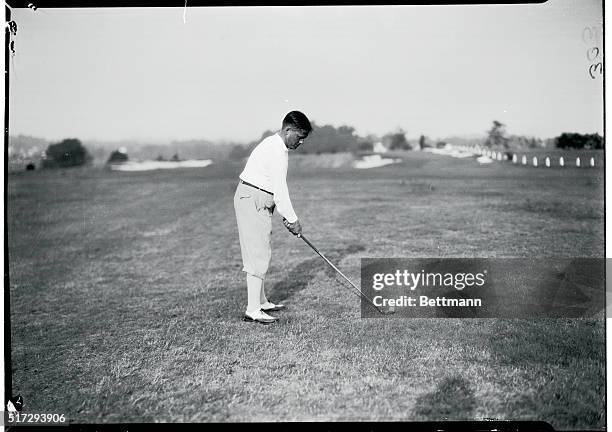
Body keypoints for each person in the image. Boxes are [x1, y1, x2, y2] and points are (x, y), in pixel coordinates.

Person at [234, 111, 312, 324]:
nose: (301, 141)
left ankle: (261, 301)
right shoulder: (276, 151)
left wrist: (287, 216)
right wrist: (293, 220)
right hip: (253, 198)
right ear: (288, 130)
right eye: (299, 136)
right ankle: (253, 309)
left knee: (261, 248)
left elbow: (276, 190)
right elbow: (280, 190)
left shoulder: (276, 146)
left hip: (257, 198)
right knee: (257, 252)